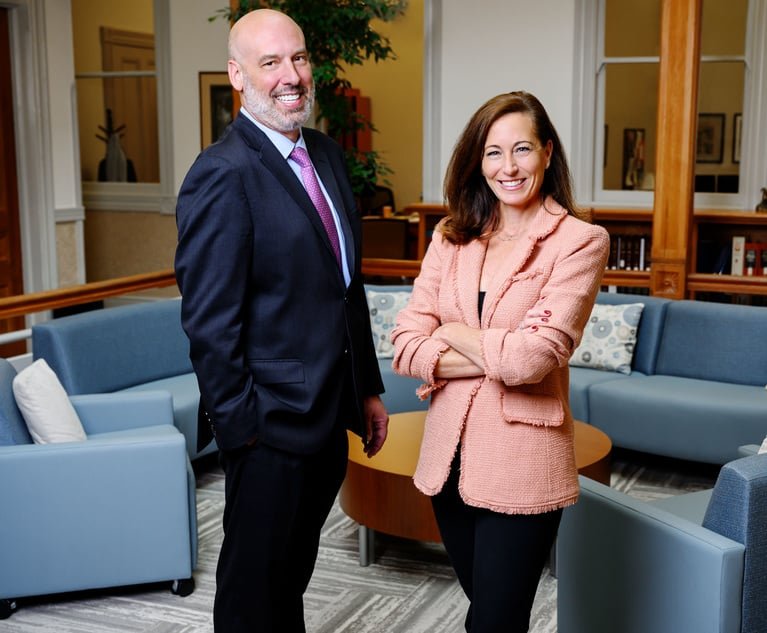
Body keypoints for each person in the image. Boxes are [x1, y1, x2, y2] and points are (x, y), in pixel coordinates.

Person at [174, 9, 389, 633]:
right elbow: (209, 325)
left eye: (297, 58)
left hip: (327, 420)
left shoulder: (322, 152)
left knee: (289, 579)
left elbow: (346, 289)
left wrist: (366, 390)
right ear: (237, 76)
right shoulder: (222, 173)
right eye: (270, 62)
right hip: (268, 431)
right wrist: (244, 433)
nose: (290, 75)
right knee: (251, 592)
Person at [391, 91, 610, 633]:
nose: (507, 167)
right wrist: (493, 345)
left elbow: (533, 360)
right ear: (477, 160)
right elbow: (403, 344)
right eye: (492, 152)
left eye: (521, 149)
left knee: (495, 620)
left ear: (548, 152)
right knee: (485, 611)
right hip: (451, 456)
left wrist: (451, 331)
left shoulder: (580, 242)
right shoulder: (452, 236)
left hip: (524, 460)